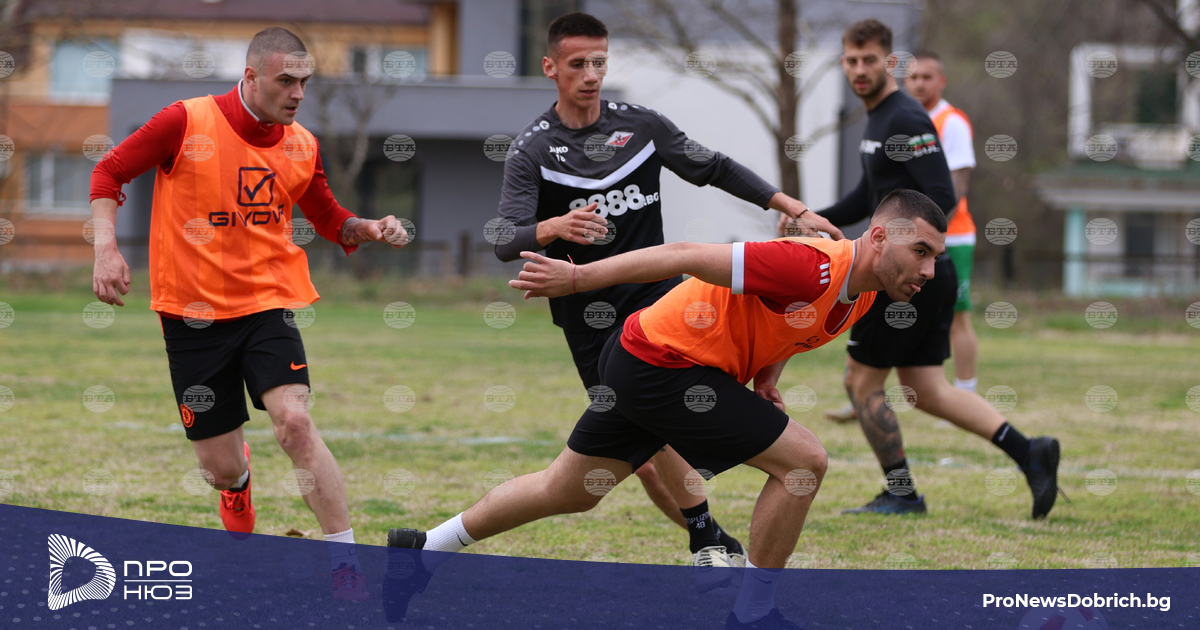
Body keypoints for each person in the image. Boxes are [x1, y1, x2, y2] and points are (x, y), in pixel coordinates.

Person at [389, 190, 945, 629]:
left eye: (935, 257)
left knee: (569, 490)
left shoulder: (865, 291)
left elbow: (791, 322)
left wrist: (767, 377)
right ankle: (753, 613)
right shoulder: (809, 266)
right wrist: (577, 278)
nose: (929, 271)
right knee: (805, 462)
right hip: (663, 364)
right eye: (920, 251)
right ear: (878, 238)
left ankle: (424, 548)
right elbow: (681, 255)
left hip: (644, 357)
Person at [492, 12, 843, 583]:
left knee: (664, 426)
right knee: (644, 457)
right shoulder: (533, 149)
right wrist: (554, 226)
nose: (591, 74)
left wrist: (793, 208)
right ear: (550, 67)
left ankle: (709, 537)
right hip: (590, 318)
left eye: (600, 61)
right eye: (578, 64)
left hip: (661, 305)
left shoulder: (641, 126)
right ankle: (709, 538)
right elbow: (505, 239)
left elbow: (715, 168)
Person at [89, 27, 408, 600]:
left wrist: (370, 227)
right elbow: (107, 172)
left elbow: (329, 217)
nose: (298, 93)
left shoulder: (302, 145)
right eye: (286, 80)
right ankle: (237, 483)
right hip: (191, 315)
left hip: (268, 303)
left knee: (296, 423)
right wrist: (106, 249)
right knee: (218, 468)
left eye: (305, 82)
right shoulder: (185, 121)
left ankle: (346, 564)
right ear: (251, 76)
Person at [806, 20, 1059, 518]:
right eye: (851, 61)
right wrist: (813, 217)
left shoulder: (905, 118)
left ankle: (901, 493)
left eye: (869, 60)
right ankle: (1030, 451)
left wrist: (897, 253)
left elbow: (942, 196)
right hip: (923, 275)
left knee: (861, 383)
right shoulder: (878, 118)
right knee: (924, 389)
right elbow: (868, 196)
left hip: (904, 280)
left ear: (890, 62)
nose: (859, 70)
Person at [906, 50, 980, 394]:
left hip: (952, 236)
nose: (919, 84)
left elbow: (956, 187)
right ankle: (866, 386)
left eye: (927, 77)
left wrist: (931, 234)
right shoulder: (905, 120)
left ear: (941, 81)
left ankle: (966, 394)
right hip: (911, 236)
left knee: (956, 318)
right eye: (913, 77)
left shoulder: (952, 122)